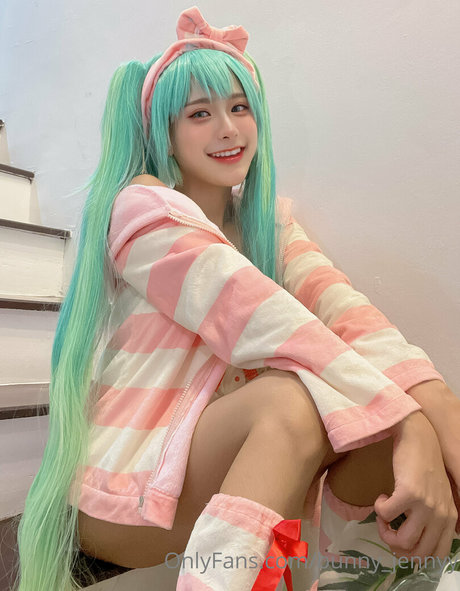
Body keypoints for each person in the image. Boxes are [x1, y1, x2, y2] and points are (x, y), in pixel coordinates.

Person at [13, 6, 460, 591]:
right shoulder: (143, 210)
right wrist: (409, 421)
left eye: (239, 107)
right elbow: (261, 318)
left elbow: (347, 314)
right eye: (199, 113)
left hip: (218, 473)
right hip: (124, 488)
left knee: (381, 415)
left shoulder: (270, 227)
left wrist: (435, 407)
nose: (227, 128)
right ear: (165, 133)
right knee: (294, 399)